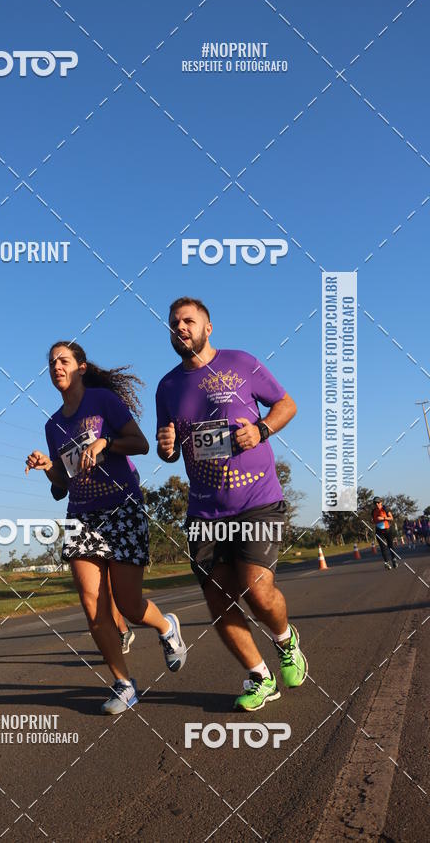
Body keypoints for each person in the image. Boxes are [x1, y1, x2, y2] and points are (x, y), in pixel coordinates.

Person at [156, 296, 307, 712]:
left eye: (188, 320)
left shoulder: (241, 362)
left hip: (257, 498)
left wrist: (260, 430)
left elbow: (287, 404)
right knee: (220, 601)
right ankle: (260, 676)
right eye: (173, 323)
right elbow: (168, 448)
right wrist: (165, 447)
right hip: (205, 510)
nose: (180, 327)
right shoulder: (167, 387)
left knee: (258, 590)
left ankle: (285, 641)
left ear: (208, 327)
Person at [26, 341, 187, 714]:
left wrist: (104, 442)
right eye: (51, 363)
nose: (56, 367)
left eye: (63, 360)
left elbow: (142, 444)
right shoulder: (53, 425)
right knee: (92, 604)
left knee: (129, 605)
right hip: (82, 514)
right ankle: (124, 684)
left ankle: (166, 627)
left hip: (122, 507)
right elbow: (64, 484)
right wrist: (45, 466)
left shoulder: (103, 403)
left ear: (81, 367)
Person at [50, 481, 135, 653]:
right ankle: (120, 637)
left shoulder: (113, 458)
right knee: (96, 593)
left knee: (116, 593)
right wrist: (51, 470)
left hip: (115, 514)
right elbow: (58, 491)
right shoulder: (63, 453)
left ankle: (125, 631)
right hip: (84, 519)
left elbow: (132, 469)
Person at [372, 497, 397, 569]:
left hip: (388, 529)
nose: (377, 504)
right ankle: (386, 562)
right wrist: (373, 521)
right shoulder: (373, 511)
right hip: (379, 531)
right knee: (383, 547)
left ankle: (394, 559)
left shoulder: (385, 508)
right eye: (375, 503)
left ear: (381, 502)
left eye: (378, 502)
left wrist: (383, 518)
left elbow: (391, 518)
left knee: (390, 545)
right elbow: (374, 521)